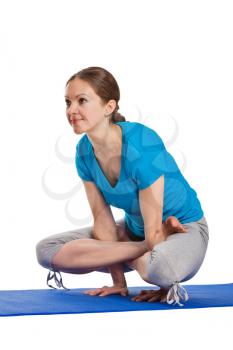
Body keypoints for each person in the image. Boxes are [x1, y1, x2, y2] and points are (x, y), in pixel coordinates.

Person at [36, 66, 209, 306]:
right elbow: (103, 221)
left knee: (160, 268)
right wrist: (119, 281)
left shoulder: (142, 144)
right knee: (46, 251)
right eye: (68, 102)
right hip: (138, 233)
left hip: (185, 228)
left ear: (109, 107)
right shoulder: (84, 151)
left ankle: (148, 253)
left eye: (82, 101)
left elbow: (153, 233)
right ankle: (141, 251)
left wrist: (146, 250)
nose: (71, 110)